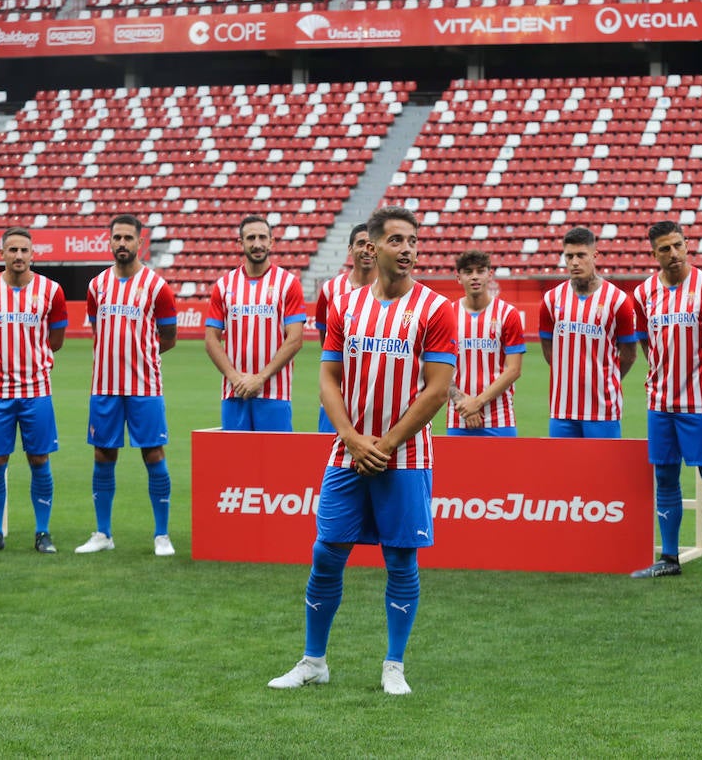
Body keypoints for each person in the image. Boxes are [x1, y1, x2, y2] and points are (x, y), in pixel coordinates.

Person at [268, 206, 456, 694]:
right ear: (373, 247)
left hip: (406, 457)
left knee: (400, 560)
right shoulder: (345, 307)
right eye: (397, 240)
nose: (409, 249)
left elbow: (437, 390)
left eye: (413, 240)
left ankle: (394, 665)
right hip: (346, 452)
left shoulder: (435, 309)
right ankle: (313, 661)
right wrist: (351, 438)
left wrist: (387, 444)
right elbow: (328, 378)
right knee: (326, 553)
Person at [75, 214, 179, 557]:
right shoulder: (97, 285)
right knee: (103, 454)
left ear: (140, 242)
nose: (122, 243)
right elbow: (97, 328)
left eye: (128, 238)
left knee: (153, 454)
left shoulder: (156, 286)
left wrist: (141, 355)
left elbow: (168, 337)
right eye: (117, 237)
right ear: (110, 241)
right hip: (104, 385)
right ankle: (103, 533)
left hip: (145, 386)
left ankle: (161, 535)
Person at [629, 221, 702, 580]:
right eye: (664, 249)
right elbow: (646, 343)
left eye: (678, 246)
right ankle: (669, 558)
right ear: (653, 253)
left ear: (687, 246)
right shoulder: (643, 294)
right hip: (661, 404)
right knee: (666, 478)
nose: (673, 254)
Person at [0, 226, 68, 554]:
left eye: (24, 250)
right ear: (2, 254)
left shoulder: (51, 291)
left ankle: (43, 533)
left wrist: (31, 361)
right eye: (12, 250)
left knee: (39, 459)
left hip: (37, 389)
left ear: (33, 254)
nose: (18, 256)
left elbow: (56, 340)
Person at [203, 214, 306, 431]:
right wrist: (234, 378)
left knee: (276, 462)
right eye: (250, 238)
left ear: (271, 241)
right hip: (234, 392)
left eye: (262, 237)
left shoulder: (288, 283)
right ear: (241, 243)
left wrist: (260, 378)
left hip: (275, 393)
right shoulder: (224, 285)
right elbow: (211, 340)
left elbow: (295, 339)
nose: (257, 244)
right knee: (236, 462)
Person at [538, 226, 637, 438]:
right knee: (563, 471)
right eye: (569, 256)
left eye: (581, 255)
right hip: (562, 409)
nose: (574, 262)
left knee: (604, 471)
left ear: (594, 255)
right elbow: (549, 350)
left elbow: (629, 354)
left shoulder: (617, 300)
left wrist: (605, 379)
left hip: (603, 409)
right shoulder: (551, 299)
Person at [448, 250, 525, 436]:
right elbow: (435, 370)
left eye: (480, 271)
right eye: (468, 272)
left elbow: (514, 370)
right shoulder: (447, 315)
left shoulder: (508, 314)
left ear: (490, 275)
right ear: (458, 277)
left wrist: (477, 402)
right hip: (459, 417)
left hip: (500, 419)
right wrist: (463, 403)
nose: (474, 277)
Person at [315, 223, 377, 432]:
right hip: (336, 394)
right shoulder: (330, 289)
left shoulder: (391, 291)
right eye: (361, 243)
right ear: (350, 249)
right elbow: (325, 337)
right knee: (327, 455)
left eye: (372, 244)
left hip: (375, 396)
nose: (366, 250)